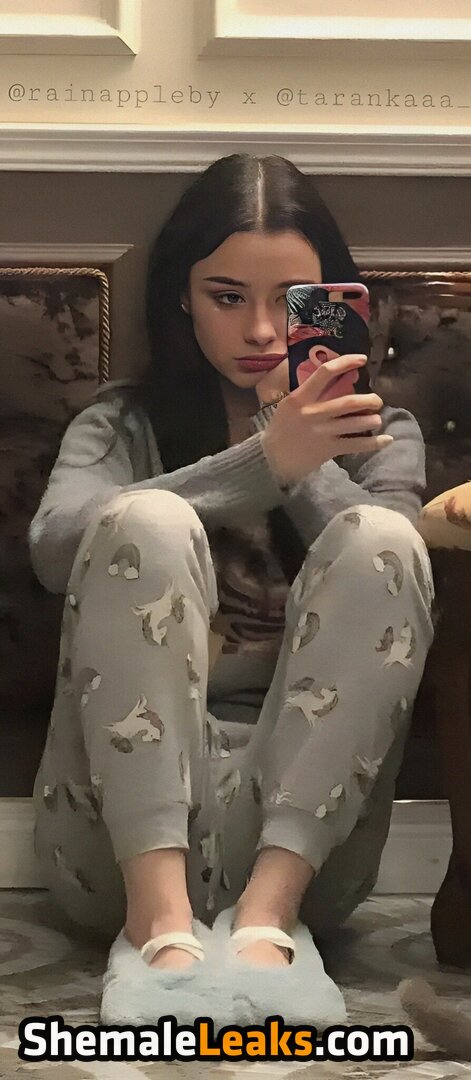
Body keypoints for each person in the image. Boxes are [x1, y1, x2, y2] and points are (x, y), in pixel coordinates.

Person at [29, 153, 434, 1028]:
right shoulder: (122, 422)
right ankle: (158, 920)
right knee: (140, 520)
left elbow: (397, 584)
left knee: (384, 538)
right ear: (182, 297)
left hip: (305, 841)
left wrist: (302, 458)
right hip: (111, 832)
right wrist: (258, 463)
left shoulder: (380, 433)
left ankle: (267, 919)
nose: (258, 330)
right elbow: (56, 550)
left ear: (331, 301)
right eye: (225, 297)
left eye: (288, 301)